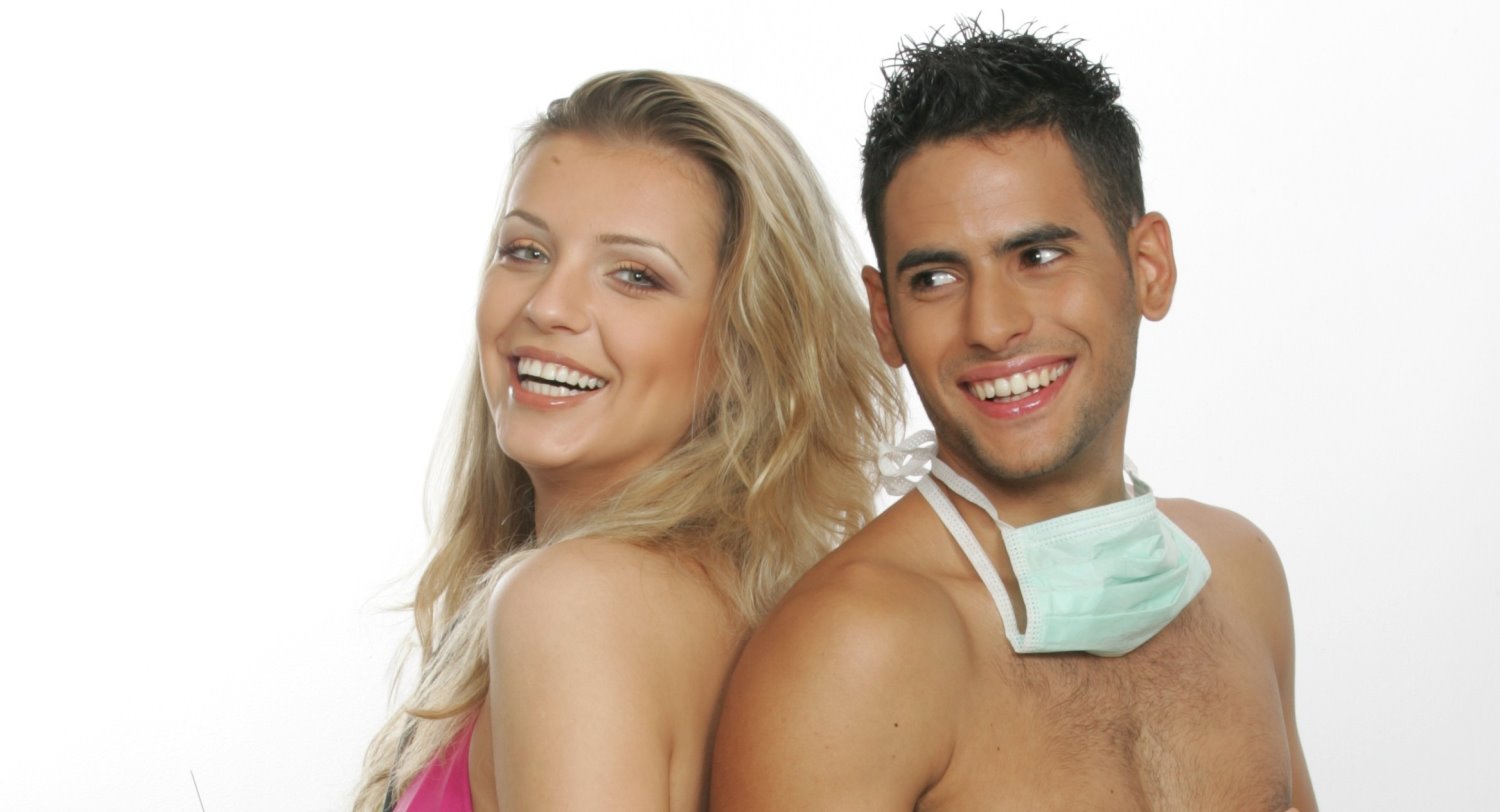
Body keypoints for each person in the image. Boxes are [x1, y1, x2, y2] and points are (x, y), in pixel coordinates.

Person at [711, 22, 1316, 811]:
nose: (992, 326)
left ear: (1149, 267)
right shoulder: (854, 648)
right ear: (885, 318)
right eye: (935, 278)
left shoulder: (1239, 575)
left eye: (1037, 257)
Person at [353, 70, 901, 811]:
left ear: (746, 348)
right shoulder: (733, 609)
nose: (549, 306)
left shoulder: (571, 605)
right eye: (526, 250)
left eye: (636, 276)